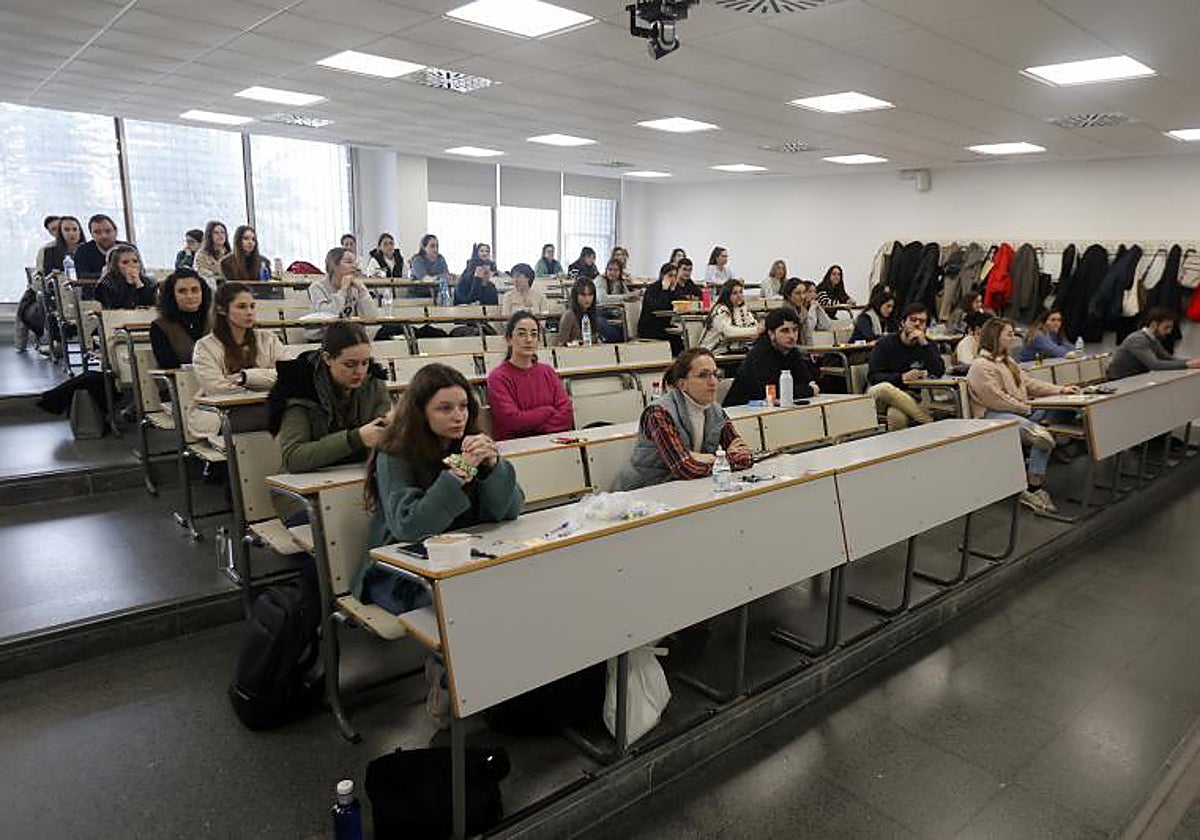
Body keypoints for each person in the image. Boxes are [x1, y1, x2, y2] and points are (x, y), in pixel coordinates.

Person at [355, 362, 523, 616]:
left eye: (464, 406)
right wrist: (457, 476)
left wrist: (493, 467)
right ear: (421, 412)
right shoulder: (395, 454)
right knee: (470, 607)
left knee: (519, 587)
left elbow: (509, 512)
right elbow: (409, 527)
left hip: (459, 559)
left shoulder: (469, 443)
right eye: (445, 408)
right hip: (399, 571)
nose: (459, 416)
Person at [967, 318, 1079, 513]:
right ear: (995, 337)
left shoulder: (1008, 361)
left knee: (1060, 411)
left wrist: (1060, 390)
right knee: (1041, 438)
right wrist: (1026, 408)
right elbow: (996, 399)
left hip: (1017, 411)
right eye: (1008, 334)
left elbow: (1028, 383)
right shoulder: (980, 365)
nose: (1013, 338)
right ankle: (1033, 489)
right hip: (992, 416)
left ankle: (1032, 485)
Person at [614, 348, 753, 491]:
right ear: (682, 384)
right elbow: (684, 468)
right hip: (645, 491)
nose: (713, 382)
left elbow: (745, 457)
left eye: (715, 374)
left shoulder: (716, 410)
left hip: (687, 487)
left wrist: (707, 458)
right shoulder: (658, 413)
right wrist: (721, 460)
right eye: (703, 375)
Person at [268, 321, 392, 473]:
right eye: (349, 364)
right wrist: (355, 439)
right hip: (307, 485)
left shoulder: (374, 384)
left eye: (365, 363)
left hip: (359, 475)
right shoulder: (299, 389)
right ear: (327, 359)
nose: (360, 372)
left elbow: (384, 441)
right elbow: (293, 458)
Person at [189, 282, 286, 440]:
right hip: (224, 413)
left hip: (266, 405)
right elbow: (217, 388)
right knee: (274, 418)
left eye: (252, 306)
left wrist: (245, 378)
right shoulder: (205, 346)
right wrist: (267, 384)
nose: (249, 313)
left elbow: (288, 374)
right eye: (241, 307)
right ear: (221, 309)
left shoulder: (268, 339)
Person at [486, 311, 574, 441]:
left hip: (553, 442)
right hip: (518, 449)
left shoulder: (548, 372)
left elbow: (566, 414)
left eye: (534, 334)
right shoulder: (498, 377)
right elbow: (512, 421)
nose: (528, 339)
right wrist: (547, 411)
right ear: (509, 339)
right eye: (521, 334)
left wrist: (538, 430)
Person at [866, 303, 945, 430]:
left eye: (922, 322)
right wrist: (901, 377)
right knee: (885, 388)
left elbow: (938, 371)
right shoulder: (884, 344)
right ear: (903, 323)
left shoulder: (927, 345)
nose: (917, 324)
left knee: (896, 417)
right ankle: (929, 423)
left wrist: (924, 344)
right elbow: (873, 376)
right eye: (913, 320)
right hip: (879, 395)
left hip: (909, 396)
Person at [724, 308, 819, 406]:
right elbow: (771, 393)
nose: (792, 336)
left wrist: (807, 388)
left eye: (795, 330)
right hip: (740, 412)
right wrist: (809, 390)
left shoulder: (792, 351)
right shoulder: (760, 354)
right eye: (785, 331)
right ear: (771, 334)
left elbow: (809, 381)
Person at [1107, 307, 1200, 379]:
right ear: (1154, 324)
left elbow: (1168, 358)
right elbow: (1155, 365)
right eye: (1166, 327)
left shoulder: (1152, 339)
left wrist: (1191, 362)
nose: (1169, 331)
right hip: (1120, 381)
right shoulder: (1137, 340)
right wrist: (1188, 364)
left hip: (1134, 378)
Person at [308, 247, 380, 336]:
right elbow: (327, 317)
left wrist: (362, 290)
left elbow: (372, 318)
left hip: (349, 337)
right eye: (348, 262)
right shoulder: (317, 287)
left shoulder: (354, 288)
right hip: (323, 337)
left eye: (355, 263)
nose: (354, 266)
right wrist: (343, 291)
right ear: (333, 265)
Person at [150, 268, 212, 369]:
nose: (190, 296)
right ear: (172, 295)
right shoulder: (160, 326)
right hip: (182, 381)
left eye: (195, 290)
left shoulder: (217, 321)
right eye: (182, 291)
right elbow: (168, 366)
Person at [637, 262, 687, 355]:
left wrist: (672, 291)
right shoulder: (652, 289)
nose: (672, 279)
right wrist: (665, 290)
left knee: (680, 339)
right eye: (670, 275)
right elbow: (660, 307)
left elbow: (680, 302)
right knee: (674, 340)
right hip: (649, 327)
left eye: (675, 276)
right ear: (662, 275)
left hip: (664, 325)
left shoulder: (673, 288)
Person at [698, 279, 761, 353]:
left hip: (732, 350)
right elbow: (728, 332)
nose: (739, 296)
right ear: (727, 295)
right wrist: (757, 330)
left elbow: (753, 325)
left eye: (741, 292)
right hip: (712, 351)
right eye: (734, 293)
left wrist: (759, 329)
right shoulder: (720, 309)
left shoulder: (742, 309)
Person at [556, 276, 615, 346]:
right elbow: (561, 344)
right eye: (583, 295)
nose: (587, 299)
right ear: (575, 296)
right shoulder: (569, 316)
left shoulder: (594, 314)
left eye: (590, 295)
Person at [95, 245, 157, 309]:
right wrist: (129, 285)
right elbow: (117, 307)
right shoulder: (107, 284)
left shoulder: (148, 282)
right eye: (125, 262)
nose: (132, 265)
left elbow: (149, 305)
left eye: (135, 261)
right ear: (116, 266)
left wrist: (139, 285)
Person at [74, 214, 127, 279]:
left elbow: (140, 273)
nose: (104, 236)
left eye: (108, 231)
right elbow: (82, 275)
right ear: (91, 235)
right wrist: (106, 274)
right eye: (97, 232)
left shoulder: (127, 248)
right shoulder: (83, 251)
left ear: (115, 232)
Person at [782, 278, 833, 345]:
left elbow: (827, 326)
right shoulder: (783, 311)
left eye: (803, 293)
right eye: (798, 293)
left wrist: (819, 308)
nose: (802, 297)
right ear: (788, 295)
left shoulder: (803, 311)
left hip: (802, 349)